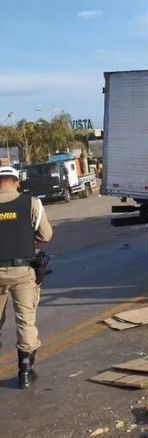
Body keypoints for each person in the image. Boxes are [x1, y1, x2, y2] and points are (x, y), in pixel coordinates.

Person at [0, 166, 53, 389]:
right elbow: (46, 235)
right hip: (22, 272)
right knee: (25, 321)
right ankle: (25, 373)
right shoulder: (31, 203)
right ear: (16, 182)